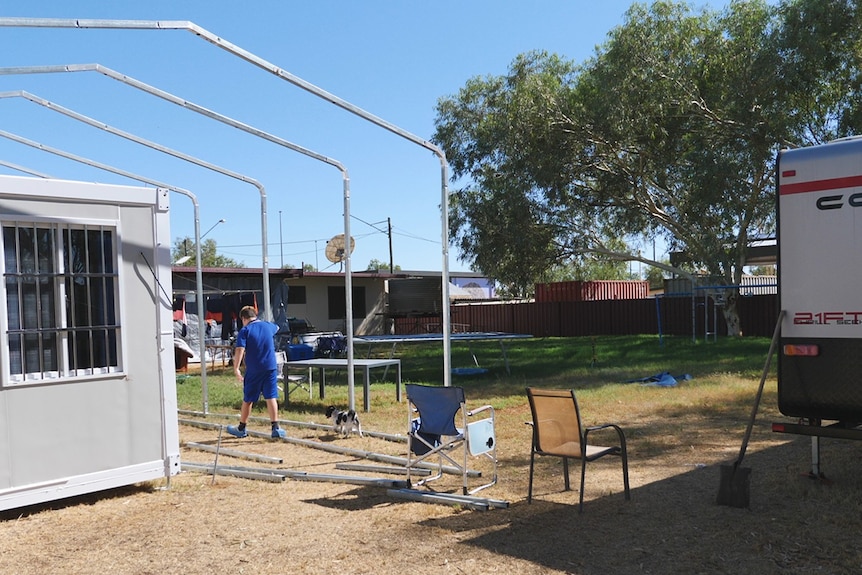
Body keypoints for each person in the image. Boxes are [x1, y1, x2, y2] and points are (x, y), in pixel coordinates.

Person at [226, 305, 287, 439]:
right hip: (270, 367)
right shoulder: (267, 326)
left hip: (254, 369)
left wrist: (236, 368)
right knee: (271, 397)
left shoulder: (245, 330)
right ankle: (275, 427)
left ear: (243, 318)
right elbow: (276, 328)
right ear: (255, 315)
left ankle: (242, 428)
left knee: (248, 399)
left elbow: (240, 349)